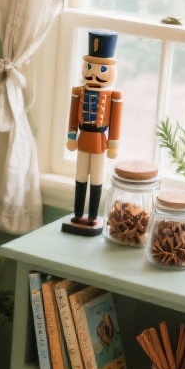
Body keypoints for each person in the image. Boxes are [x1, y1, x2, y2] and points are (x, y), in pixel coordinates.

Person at [63, 30, 123, 236]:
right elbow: (73, 116)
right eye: (89, 67)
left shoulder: (113, 95)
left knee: (97, 179)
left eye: (102, 68)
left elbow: (115, 122)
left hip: (100, 141)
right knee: (80, 177)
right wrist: (71, 136)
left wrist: (113, 144)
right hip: (83, 139)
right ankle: (78, 213)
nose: (94, 73)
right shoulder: (79, 92)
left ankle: (92, 217)